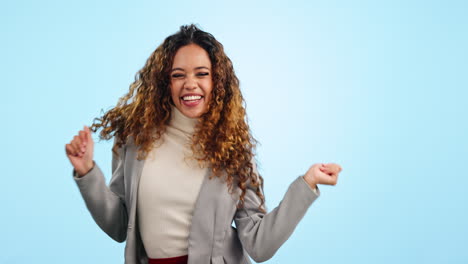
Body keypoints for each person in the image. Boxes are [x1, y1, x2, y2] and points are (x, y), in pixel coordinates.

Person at [65, 24, 342, 264]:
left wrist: (306, 185)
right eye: (178, 75)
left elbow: (259, 245)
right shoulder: (135, 141)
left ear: (217, 81)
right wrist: (88, 172)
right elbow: (118, 226)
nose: (190, 84)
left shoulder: (232, 150)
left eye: (201, 73)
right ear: (164, 83)